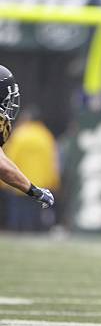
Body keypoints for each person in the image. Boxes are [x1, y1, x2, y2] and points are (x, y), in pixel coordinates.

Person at [0, 66, 55, 215]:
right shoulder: (45, 135)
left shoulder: (24, 134)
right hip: (35, 180)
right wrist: (34, 190)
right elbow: (4, 167)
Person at [2, 106, 60, 231]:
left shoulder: (20, 134)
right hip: (40, 184)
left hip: (19, 183)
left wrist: (4, 182)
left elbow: (8, 159)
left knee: (18, 219)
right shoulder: (46, 136)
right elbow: (52, 162)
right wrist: (53, 182)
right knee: (35, 220)